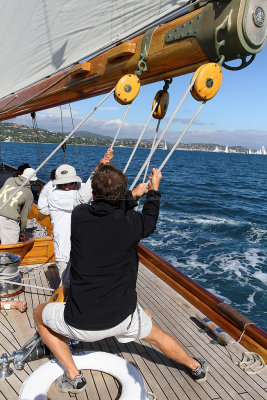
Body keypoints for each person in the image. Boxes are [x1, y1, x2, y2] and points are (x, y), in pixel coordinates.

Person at [34, 164, 208, 394]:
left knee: (39, 314)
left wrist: (132, 195)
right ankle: (196, 367)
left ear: (93, 195)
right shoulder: (132, 224)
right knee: (158, 336)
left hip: (79, 321)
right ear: (120, 195)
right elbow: (150, 220)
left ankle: (74, 376)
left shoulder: (79, 215)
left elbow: (107, 207)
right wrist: (153, 190)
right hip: (124, 316)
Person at [38, 149, 113, 281]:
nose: (66, 187)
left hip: (82, 249)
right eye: (62, 184)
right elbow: (82, 198)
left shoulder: (79, 188)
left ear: (75, 181)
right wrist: (96, 169)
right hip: (66, 253)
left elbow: (97, 187)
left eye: (70, 183)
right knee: (66, 287)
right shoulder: (55, 196)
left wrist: (104, 167)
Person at [0, 168, 38, 245]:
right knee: (9, 252)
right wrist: (21, 230)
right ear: (32, 181)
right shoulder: (28, 194)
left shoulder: (10, 180)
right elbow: (24, 217)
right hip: (8, 223)